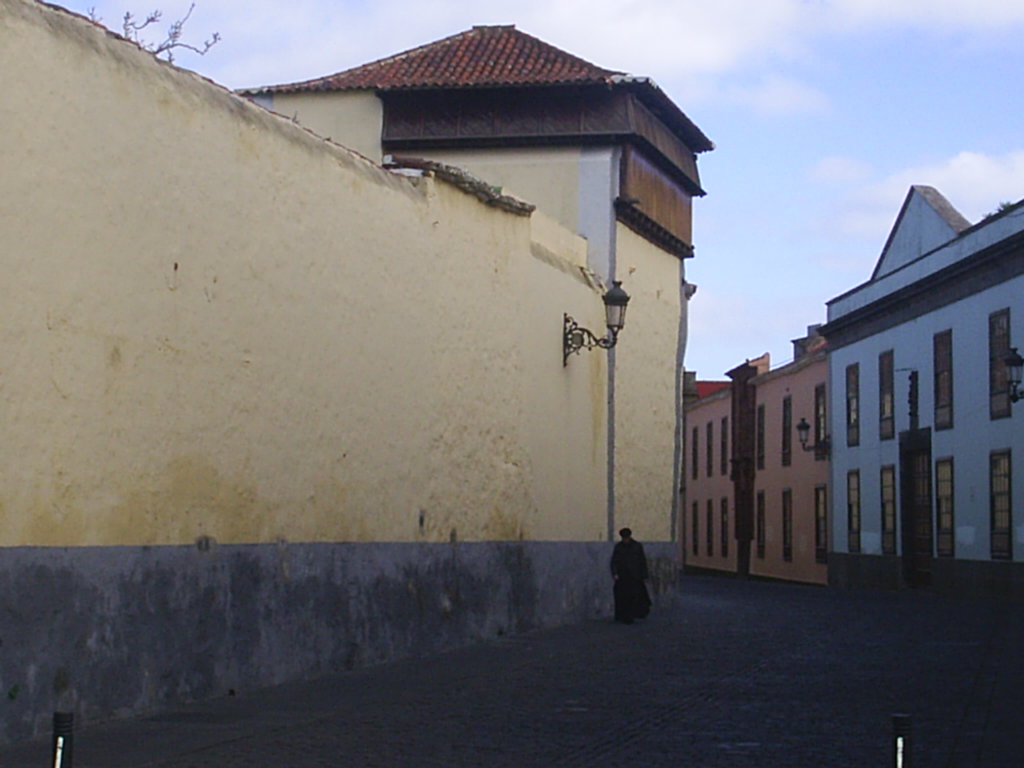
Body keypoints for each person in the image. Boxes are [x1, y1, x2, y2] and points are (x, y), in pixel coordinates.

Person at [610, 527, 651, 624]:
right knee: (622, 597)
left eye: (626, 538)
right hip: (623, 576)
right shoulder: (619, 547)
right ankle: (623, 615)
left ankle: (631, 615)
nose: (625, 540)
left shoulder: (636, 546)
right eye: (624, 538)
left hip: (634, 576)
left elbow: (642, 561)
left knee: (633, 597)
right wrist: (615, 573)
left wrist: (644, 575)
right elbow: (614, 561)